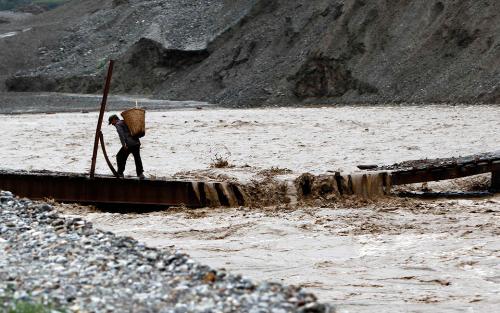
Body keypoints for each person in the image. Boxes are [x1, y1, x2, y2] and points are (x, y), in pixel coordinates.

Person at [108, 114, 145, 179]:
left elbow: (121, 135)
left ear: (114, 119)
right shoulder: (125, 121)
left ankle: (120, 173)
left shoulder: (118, 124)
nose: (112, 124)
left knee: (119, 156)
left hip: (129, 144)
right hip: (136, 142)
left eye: (111, 122)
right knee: (137, 158)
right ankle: (140, 174)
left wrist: (124, 145)